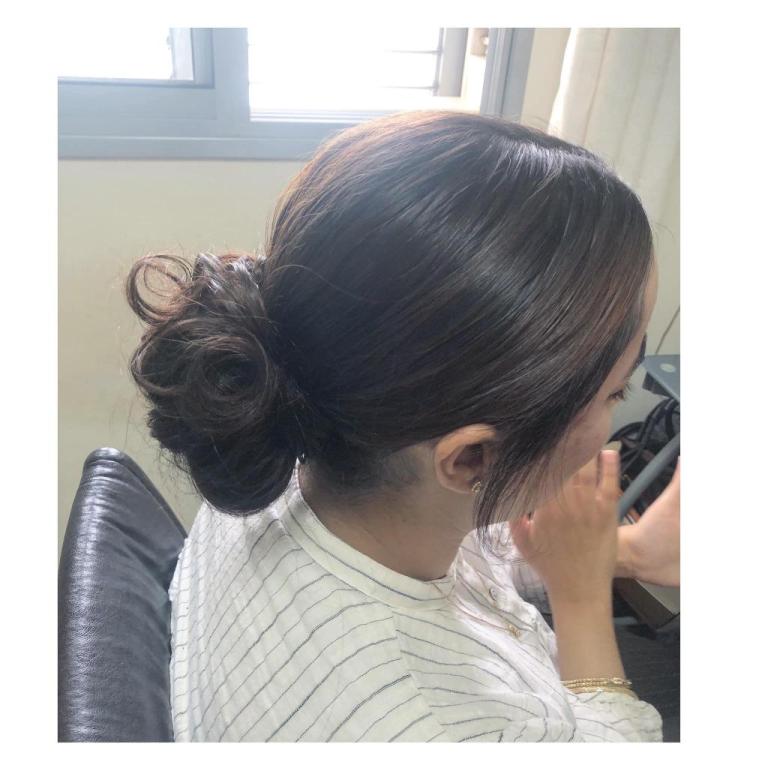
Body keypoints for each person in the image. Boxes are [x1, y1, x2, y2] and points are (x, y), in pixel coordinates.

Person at [125, 110, 680, 742]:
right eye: (616, 391)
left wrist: (626, 553)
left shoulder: (281, 432)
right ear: (470, 460)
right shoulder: (430, 728)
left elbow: (466, 548)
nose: (616, 415)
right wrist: (582, 602)